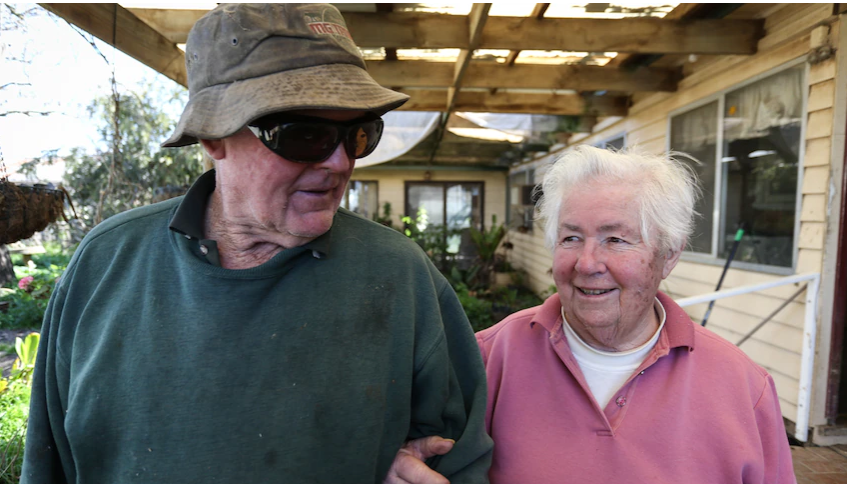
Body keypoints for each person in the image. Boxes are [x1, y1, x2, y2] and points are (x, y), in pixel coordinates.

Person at [21, 4, 492, 483]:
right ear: (213, 137)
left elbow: (459, 456)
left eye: (358, 134)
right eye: (304, 133)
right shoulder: (105, 263)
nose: (339, 161)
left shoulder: (400, 276)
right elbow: (46, 460)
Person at [388, 145, 796, 483]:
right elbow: (411, 458)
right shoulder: (485, 360)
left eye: (615, 239)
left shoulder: (744, 388)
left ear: (668, 256)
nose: (586, 263)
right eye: (571, 238)